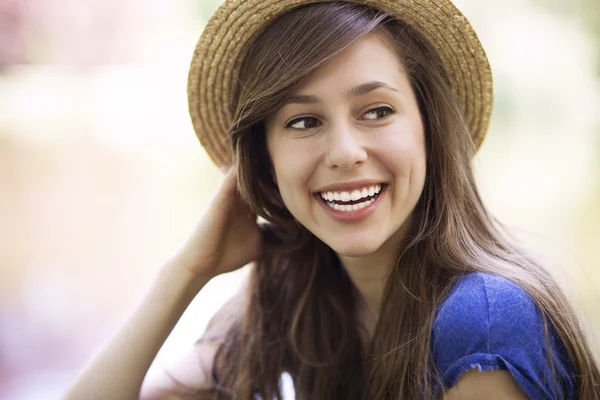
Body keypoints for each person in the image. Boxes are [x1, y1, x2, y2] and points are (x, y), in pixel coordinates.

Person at [65, 0, 600, 399]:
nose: (345, 153)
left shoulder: (481, 320)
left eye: (376, 111)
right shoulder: (294, 300)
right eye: (303, 121)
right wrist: (185, 271)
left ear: (429, 131)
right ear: (266, 164)